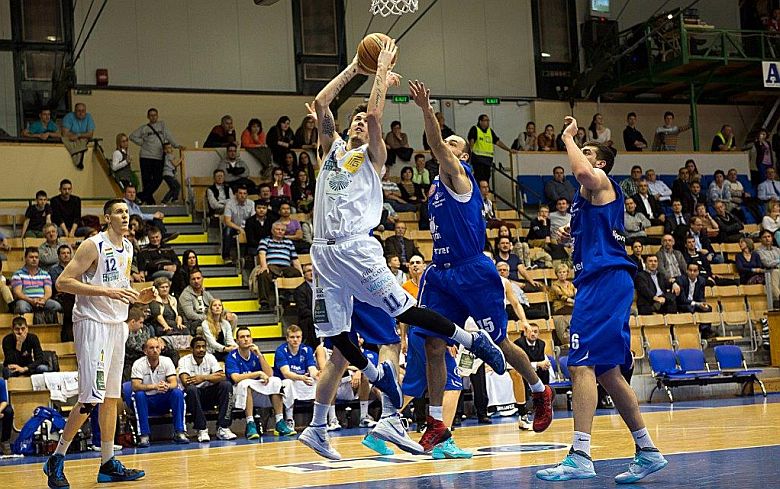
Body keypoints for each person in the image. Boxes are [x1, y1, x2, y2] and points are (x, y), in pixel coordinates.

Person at [298, 46, 506, 461]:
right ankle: (323, 425)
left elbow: (376, 117)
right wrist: (355, 68)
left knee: (405, 312)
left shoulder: (373, 156)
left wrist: (381, 72)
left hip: (356, 248)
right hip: (322, 253)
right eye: (355, 119)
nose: (361, 121)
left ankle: (471, 341)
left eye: (364, 119)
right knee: (336, 336)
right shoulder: (331, 151)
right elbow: (321, 103)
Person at [407, 79, 554, 455]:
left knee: (500, 341)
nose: (447, 146)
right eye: (448, 142)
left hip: (473, 270)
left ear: (463, 156)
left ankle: (539, 390)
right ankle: (436, 423)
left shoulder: (461, 178)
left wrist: (426, 109)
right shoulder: (435, 188)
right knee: (433, 343)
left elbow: (437, 144)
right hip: (441, 273)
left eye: (454, 144)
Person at [536, 116, 667, 482]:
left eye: (588, 151)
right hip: (603, 281)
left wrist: (567, 138)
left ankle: (580, 454)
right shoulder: (585, 202)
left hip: (604, 282)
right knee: (608, 372)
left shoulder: (601, 181)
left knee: (580, 364)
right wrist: (571, 238)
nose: (582, 154)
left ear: (602, 163)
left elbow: (582, 172)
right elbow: (592, 236)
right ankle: (647, 450)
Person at [44, 198, 156, 488]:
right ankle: (56, 458)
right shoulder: (93, 245)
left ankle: (108, 462)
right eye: (118, 212)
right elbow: (63, 283)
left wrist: (138, 297)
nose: (125, 216)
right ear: (107, 218)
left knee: (110, 397)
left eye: (127, 212)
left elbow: (120, 286)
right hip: (92, 324)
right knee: (91, 397)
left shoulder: (128, 247)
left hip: (116, 325)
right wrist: (105, 292)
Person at [225, 326, 296, 439]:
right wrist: (257, 373)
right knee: (245, 384)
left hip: (256, 391)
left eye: (248, 336)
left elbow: (269, 373)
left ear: (251, 339)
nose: (246, 339)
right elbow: (236, 378)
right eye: (242, 337)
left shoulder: (255, 354)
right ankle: (250, 423)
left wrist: (259, 354)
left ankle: (279, 421)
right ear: (237, 341)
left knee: (276, 381)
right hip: (239, 392)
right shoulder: (232, 356)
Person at [124, 337, 188, 446]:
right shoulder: (138, 364)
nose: (155, 350)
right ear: (145, 351)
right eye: (151, 348)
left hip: (163, 399)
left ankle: (180, 432)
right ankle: (144, 435)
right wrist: (154, 386)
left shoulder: (167, 361)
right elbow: (135, 386)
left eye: (157, 347)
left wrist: (167, 386)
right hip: (147, 401)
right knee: (139, 395)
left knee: (177, 393)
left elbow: (174, 383)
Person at [178, 336, 237, 442]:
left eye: (203, 347)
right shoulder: (184, 360)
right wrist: (212, 377)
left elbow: (222, 376)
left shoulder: (210, 357)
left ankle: (223, 428)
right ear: (191, 349)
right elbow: (186, 381)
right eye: (198, 347)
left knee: (226, 385)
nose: (201, 349)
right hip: (192, 398)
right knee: (191, 389)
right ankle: (202, 429)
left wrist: (203, 378)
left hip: (209, 393)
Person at [129, 108, 182, 204]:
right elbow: (132, 136)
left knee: (158, 179)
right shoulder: (144, 128)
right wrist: (143, 142)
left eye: (155, 115)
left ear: (157, 116)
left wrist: (177, 145)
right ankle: (150, 202)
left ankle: (140, 196)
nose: (153, 117)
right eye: (151, 115)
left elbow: (169, 136)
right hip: (145, 157)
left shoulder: (162, 126)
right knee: (146, 180)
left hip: (158, 157)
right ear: (148, 117)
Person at [274, 325, 319, 429]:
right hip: (285, 381)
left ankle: (320, 419)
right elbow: (286, 373)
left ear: (301, 338)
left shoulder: (307, 350)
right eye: (292, 337)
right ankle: (289, 419)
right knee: (288, 383)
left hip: (301, 379)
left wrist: (318, 375)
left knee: (318, 382)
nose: (295, 340)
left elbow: (312, 368)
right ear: (287, 338)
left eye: (298, 337)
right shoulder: (281, 351)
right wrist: (302, 378)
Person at [256, 222, 303, 311]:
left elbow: (295, 260)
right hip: (271, 266)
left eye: (282, 230)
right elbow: (262, 254)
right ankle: (264, 303)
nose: (280, 231)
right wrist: (264, 266)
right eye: (278, 229)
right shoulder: (265, 240)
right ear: (272, 231)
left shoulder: (289, 242)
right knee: (263, 274)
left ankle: (285, 296)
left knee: (296, 273)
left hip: (286, 267)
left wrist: (301, 273)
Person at [11, 247, 62, 318]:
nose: (34, 259)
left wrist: (43, 300)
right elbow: (18, 293)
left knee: (56, 306)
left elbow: (48, 292)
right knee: (21, 307)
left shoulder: (45, 274)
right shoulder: (18, 274)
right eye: (31, 257)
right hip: (25, 301)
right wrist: (31, 300)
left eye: (36, 257)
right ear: (25, 258)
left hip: (42, 301)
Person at [467, 113, 517, 184]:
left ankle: (485, 190)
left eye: (488, 120)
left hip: (488, 159)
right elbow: (471, 142)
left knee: (487, 177)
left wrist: (508, 149)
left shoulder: (490, 131)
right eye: (485, 120)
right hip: (478, 159)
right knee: (479, 177)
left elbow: (497, 142)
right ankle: (479, 190)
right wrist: (469, 155)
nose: (487, 122)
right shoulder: (475, 129)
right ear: (480, 121)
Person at [221, 185, 254, 264]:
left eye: (244, 193)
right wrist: (239, 229)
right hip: (233, 226)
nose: (242, 195)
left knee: (253, 230)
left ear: (247, 195)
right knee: (227, 231)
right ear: (236, 194)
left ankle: (248, 255)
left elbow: (253, 219)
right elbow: (227, 221)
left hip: (246, 226)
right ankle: (226, 256)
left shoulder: (251, 203)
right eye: (240, 193)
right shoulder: (229, 203)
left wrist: (245, 228)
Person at [61, 103, 95, 169]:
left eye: (83, 111)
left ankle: (77, 159)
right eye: (79, 111)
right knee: (66, 139)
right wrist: (81, 135)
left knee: (83, 140)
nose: (81, 113)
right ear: (75, 111)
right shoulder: (69, 117)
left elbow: (90, 134)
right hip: (71, 140)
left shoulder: (88, 117)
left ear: (85, 111)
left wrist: (78, 135)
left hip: (82, 140)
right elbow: (64, 133)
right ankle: (78, 158)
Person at [0, 376, 14, 454]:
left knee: (9, 411)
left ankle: (5, 440)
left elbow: (4, 401)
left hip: (0, 406)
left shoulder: (0, 381)